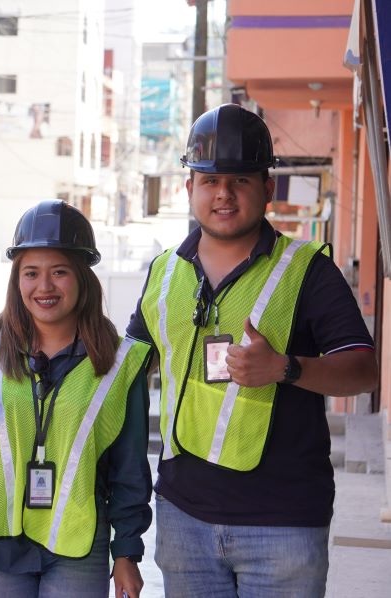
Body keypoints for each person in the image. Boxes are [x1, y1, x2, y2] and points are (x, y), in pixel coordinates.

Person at [126, 103, 379, 597]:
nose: (223, 194)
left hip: (283, 526)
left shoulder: (308, 270)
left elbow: (364, 371)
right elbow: (120, 367)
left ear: (267, 188)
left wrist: (285, 368)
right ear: (189, 188)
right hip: (182, 519)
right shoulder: (162, 273)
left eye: (240, 180)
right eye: (210, 180)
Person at [0, 199, 152, 598]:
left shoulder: (120, 362)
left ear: (82, 278)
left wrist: (127, 552)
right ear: (16, 280)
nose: (44, 287)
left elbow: (129, 468)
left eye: (59, 272)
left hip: (78, 543)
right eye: (31, 273)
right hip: (1, 542)